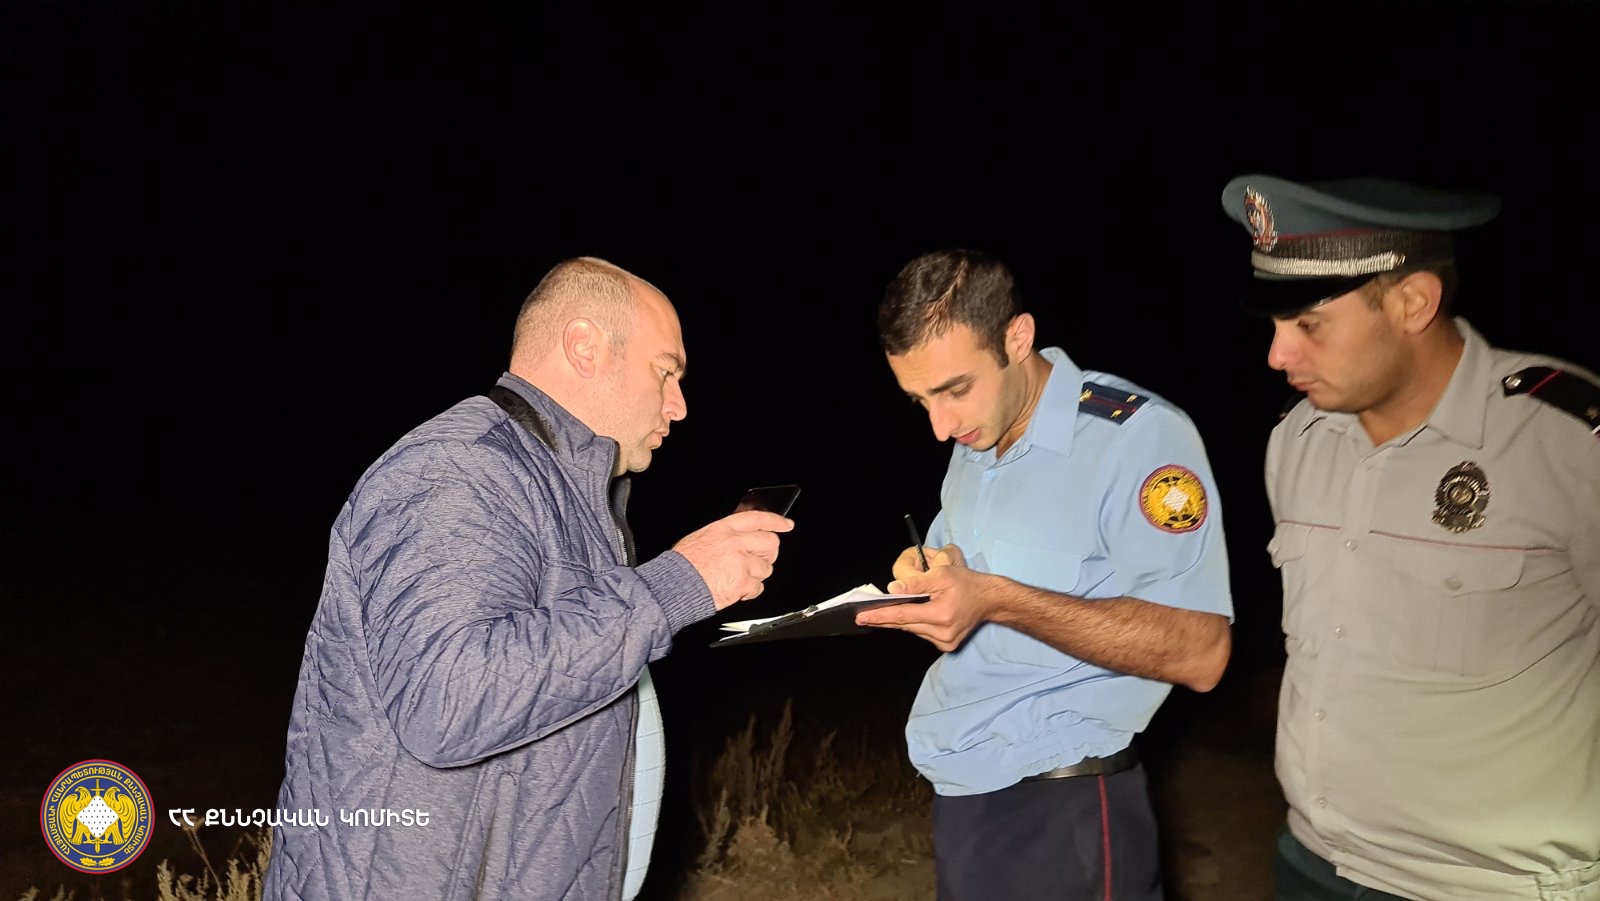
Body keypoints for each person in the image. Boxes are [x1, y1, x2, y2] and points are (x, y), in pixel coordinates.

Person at [261, 257, 794, 901]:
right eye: (666, 371)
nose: (679, 406)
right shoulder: (455, 469)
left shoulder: (570, 494)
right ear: (584, 348)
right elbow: (449, 699)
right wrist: (674, 586)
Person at [1220, 174, 1600, 901]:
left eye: (1308, 325)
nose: (1276, 355)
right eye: (1273, 326)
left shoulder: (1561, 442)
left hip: (1491, 886)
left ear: (1414, 303)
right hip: (1313, 863)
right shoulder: (1297, 441)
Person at [856, 249, 1234, 900]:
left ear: (1017, 338)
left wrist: (996, 600)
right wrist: (929, 574)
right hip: (966, 793)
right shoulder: (976, 438)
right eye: (920, 401)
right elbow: (960, 566)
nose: (940, 426)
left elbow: (1202, 652)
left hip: (1067, 806)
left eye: (954, 390)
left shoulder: (1133, 439)